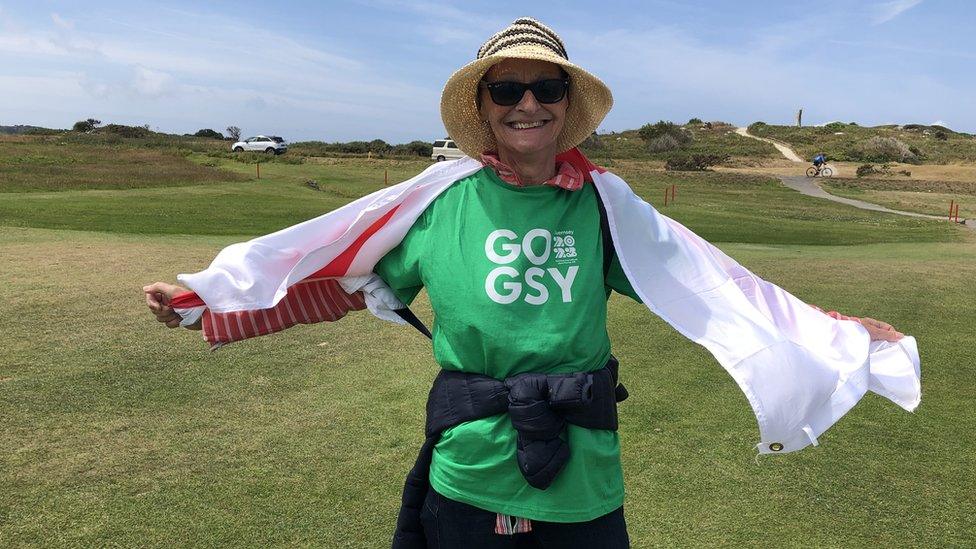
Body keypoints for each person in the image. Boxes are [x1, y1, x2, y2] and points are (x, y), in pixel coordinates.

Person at [144, 18, 914, 548]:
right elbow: (341, 278)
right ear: (481, 109)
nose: (527, 104)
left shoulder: (609, 205)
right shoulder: (437, 203)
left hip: (585, 475)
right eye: (506, 91)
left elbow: (713, 286)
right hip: (471, 468)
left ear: (566, 105)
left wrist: (834, 330)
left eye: (545, 88)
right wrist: (204, 305)